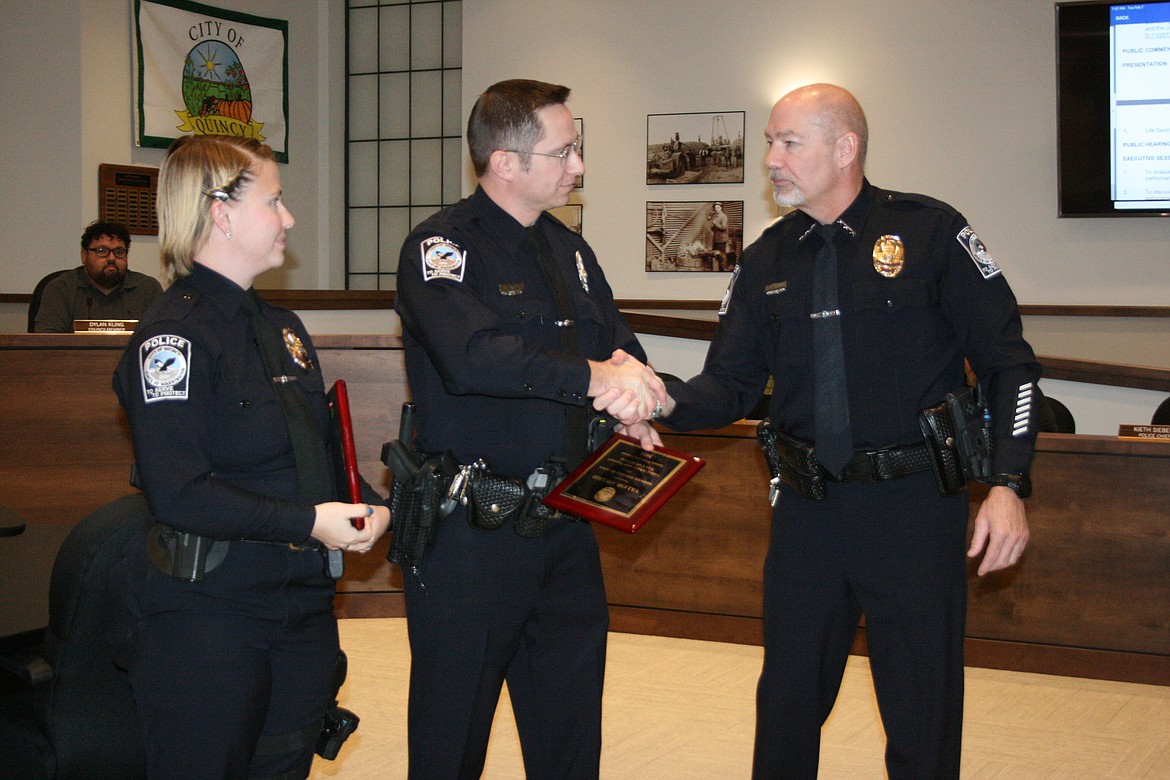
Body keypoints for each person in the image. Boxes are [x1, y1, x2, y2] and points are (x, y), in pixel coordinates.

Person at [640, 84, 1041, 778]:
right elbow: (728, 387)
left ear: (845, 146)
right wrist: (657, 402)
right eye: (770, 141)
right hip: (808, 514)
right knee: (787, 705)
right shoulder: (767, 259)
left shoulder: (930, 233)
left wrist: (1008, 484)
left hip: (912, 509)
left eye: (788, 142)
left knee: (922, 710)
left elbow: (1012, 367)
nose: (771, 159)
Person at [394, 78, 664, 779]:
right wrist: (596, 380)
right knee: (452, 740)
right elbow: (472, 356)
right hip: (473, 535)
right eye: (564, 150)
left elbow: (617, 346)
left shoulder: (568, 250)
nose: (578, 165)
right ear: (506, 162)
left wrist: (633, 405)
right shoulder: (442, 247)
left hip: (566, 525)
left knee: (569, 739)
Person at [112, 134, 390, 779]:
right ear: (221, 212)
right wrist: (307, 523)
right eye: (275, 200)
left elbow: (314, 452)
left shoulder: (282, 327)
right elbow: (179, 492)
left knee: (285, 765)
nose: (289, 218)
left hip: (299, 607)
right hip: (209, 617)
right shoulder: (173, 335)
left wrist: (366, 507)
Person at [34, 220, 163, 332]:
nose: (112, 258)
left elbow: (160, 339)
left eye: (119, 252)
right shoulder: (61, 289)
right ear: (84, 255)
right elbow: (45, 345)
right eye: (102, 251)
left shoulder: (148, 289)